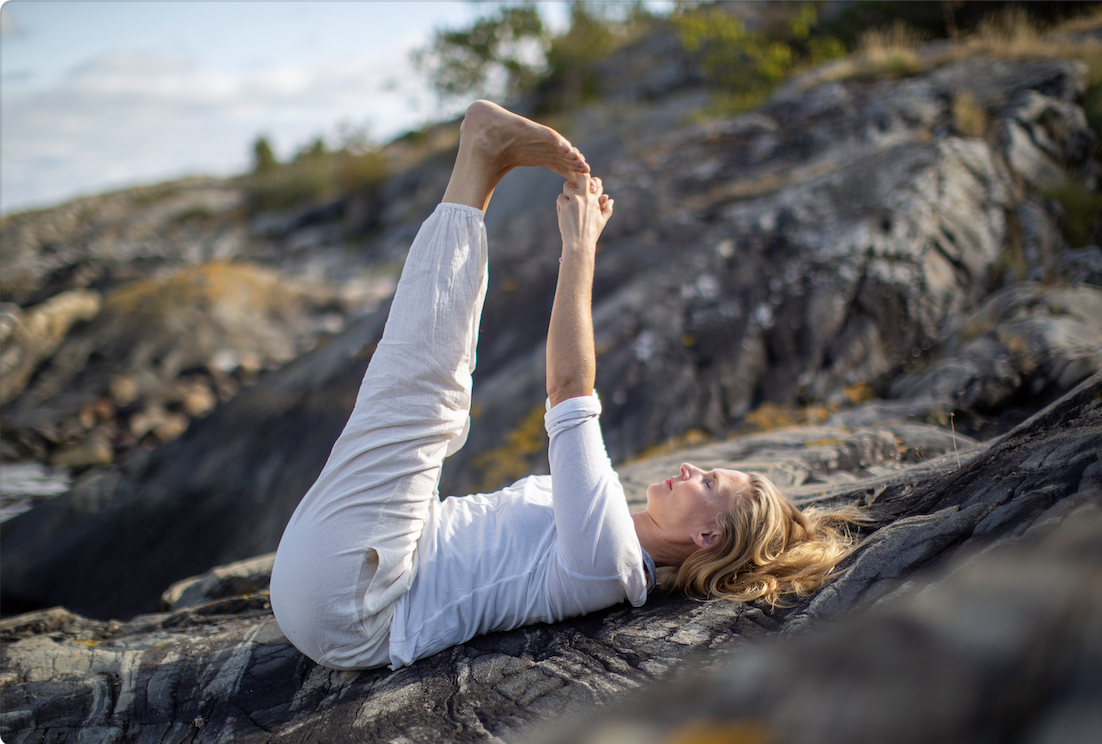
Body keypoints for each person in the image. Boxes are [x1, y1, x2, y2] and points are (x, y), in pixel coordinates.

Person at [270, 101, 861, 671]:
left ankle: (479, 161)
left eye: (708, 482)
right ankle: (485, 166)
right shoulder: (612, 530)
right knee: (436, 411)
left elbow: (569, 391)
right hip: (361, 570)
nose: (689, 470)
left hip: (355, 603)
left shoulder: (613, 563)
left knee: (427, 403)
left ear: (707, 535)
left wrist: (580, 246)